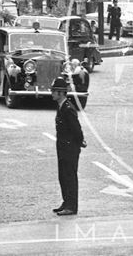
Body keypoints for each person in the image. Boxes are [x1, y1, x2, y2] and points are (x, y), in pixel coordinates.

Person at [50, 77, 85, 216]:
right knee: (63, 176)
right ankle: (66, 202)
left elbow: (76, 129)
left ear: (61, 93)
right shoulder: (61, 106)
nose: (52, 93)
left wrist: (80, 141)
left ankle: (72, 206)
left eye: (54, 91)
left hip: (70, 148)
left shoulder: (68, 109)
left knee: (70, 176)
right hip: (63, 147)